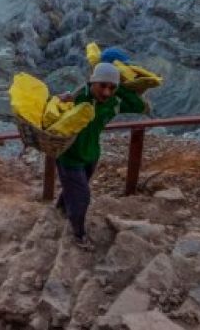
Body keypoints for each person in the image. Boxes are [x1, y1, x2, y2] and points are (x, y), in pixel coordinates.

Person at [55, 62, 146, 249]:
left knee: (75, 188)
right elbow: (52, 109)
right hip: (69, 157)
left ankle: (61, 208)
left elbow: (139, 106)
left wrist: (124, 86)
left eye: (112, 88)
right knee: (82, 196)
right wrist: (60, 99)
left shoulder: (114, 102)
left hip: (91, 155)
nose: (106, 92)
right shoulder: (78, 97)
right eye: (102, 85)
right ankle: (79, 234)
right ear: (92, 82)